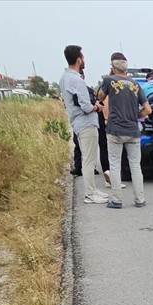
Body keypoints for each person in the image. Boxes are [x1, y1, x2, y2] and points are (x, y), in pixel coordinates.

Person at [97, 52, 150, 208]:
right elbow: (148, 109)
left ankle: (117, 200)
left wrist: (109, 76)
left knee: (114, 164)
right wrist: (135, 115)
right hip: (133, 130)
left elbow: (100, 97)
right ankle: (139, 199)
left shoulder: (109, 80)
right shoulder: (136, 85)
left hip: (115, 129)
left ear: (113, 66)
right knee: (135, 166)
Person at [59, 45, 106, 204]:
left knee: (87, 158)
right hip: (86, 123)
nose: (84, 60)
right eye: (83, 57)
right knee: (89, 160)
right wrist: (96, 107)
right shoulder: (77, 80)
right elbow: (86, 106)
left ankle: (92, 190)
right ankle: (90, 194)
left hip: (77, 123)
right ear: (78, 59)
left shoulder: (64, 78)